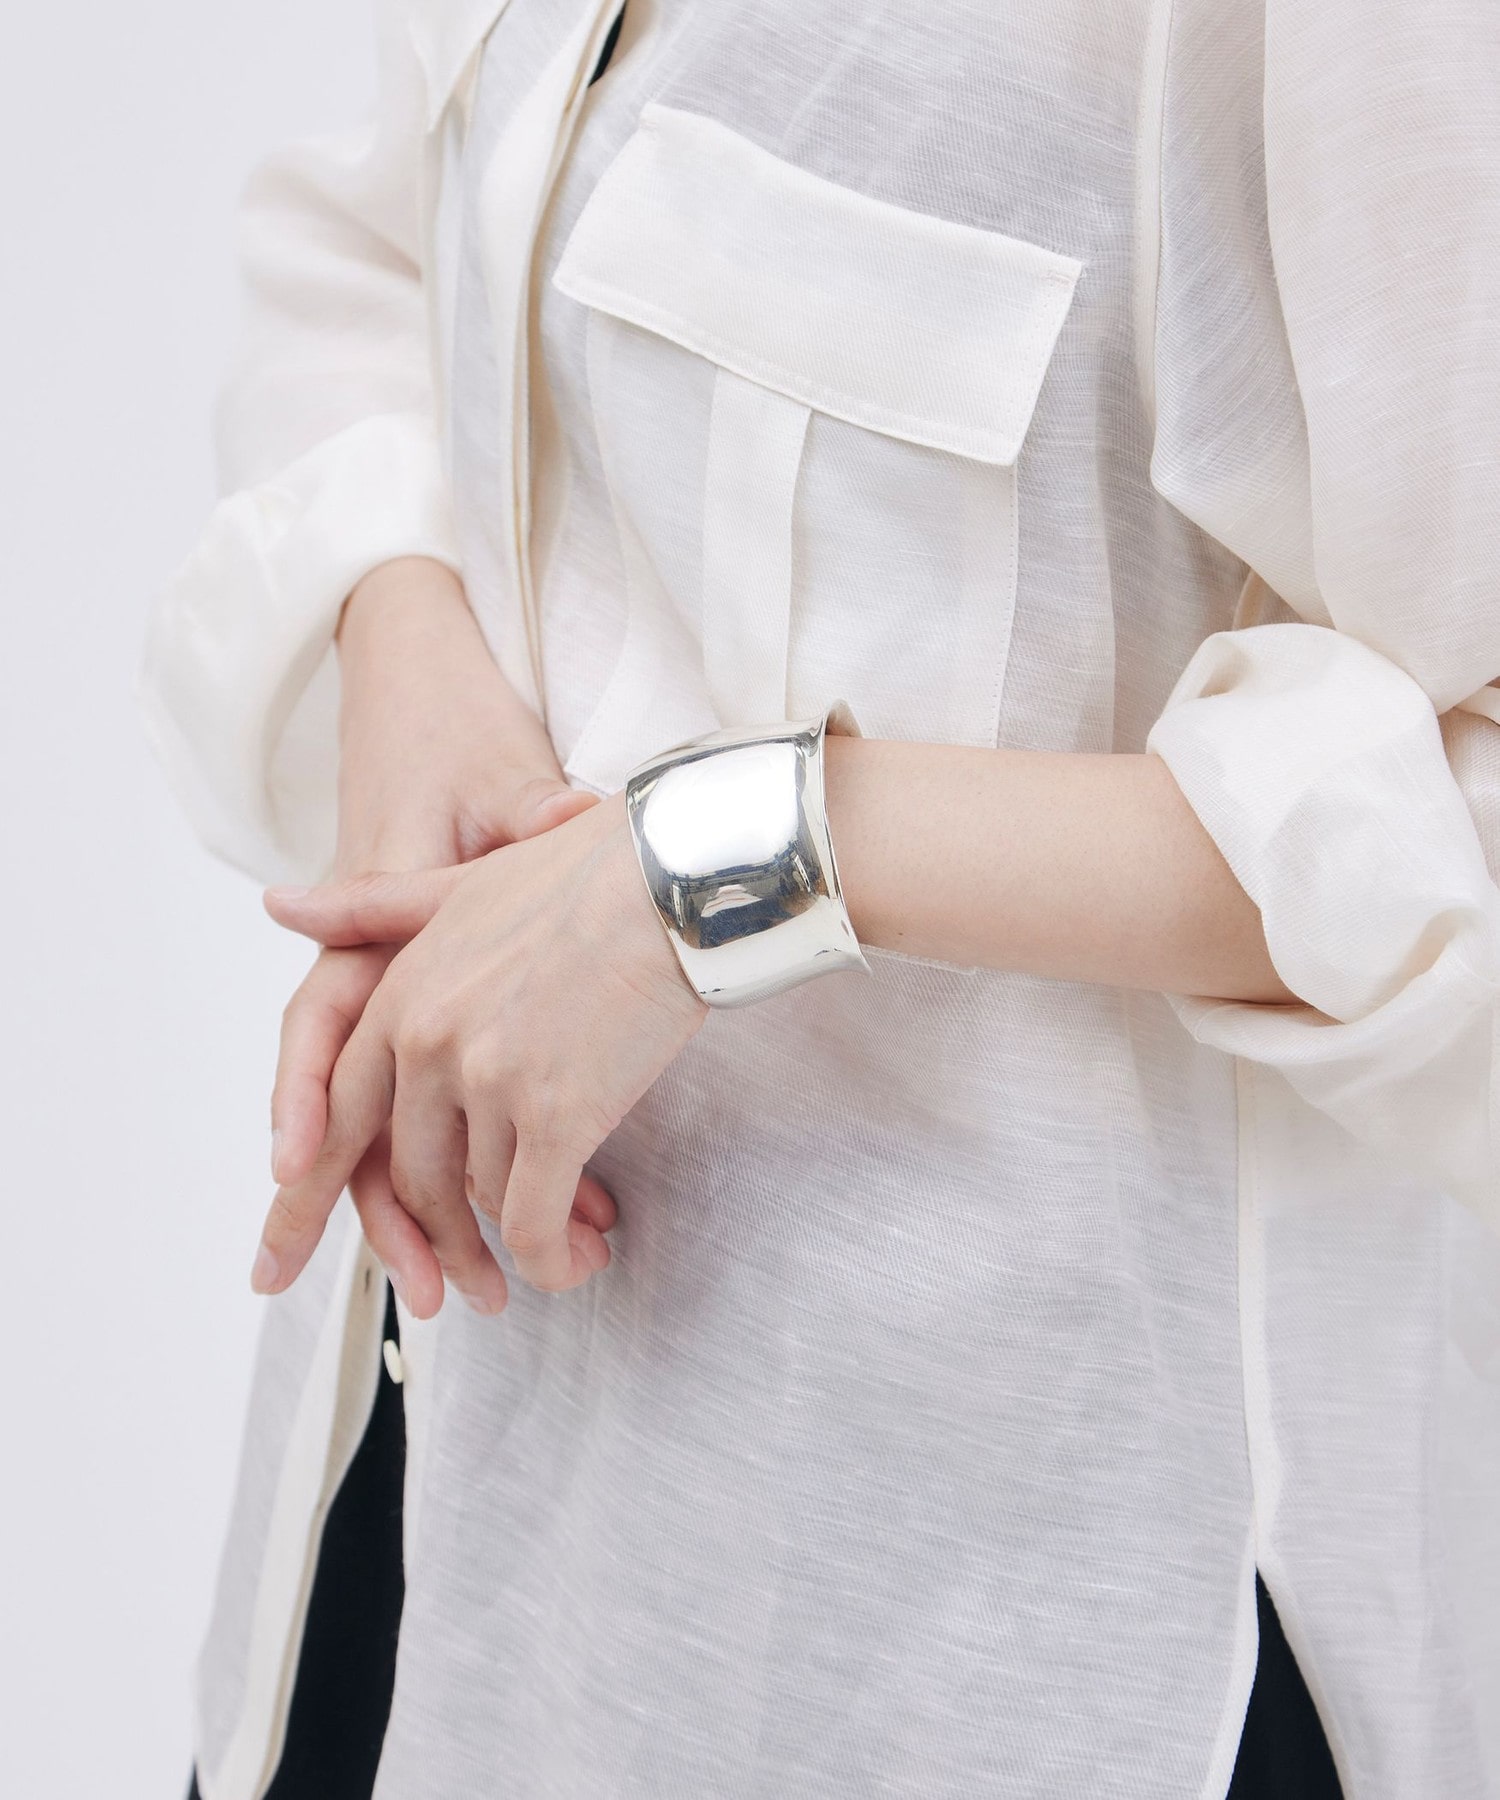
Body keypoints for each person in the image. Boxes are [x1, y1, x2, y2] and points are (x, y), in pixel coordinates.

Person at [141, 1, 1500, 1796]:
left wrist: (708, 868)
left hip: (984, 1622)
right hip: (434, 1487)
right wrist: (407, 648)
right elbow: (384, 228)